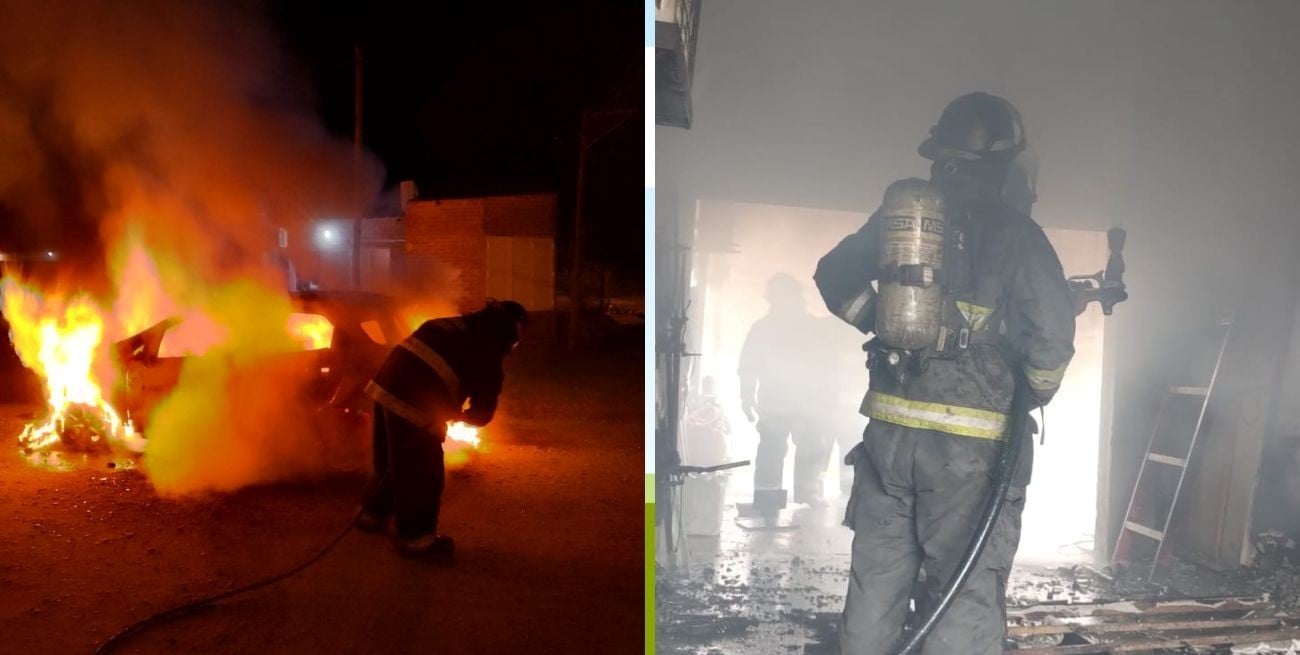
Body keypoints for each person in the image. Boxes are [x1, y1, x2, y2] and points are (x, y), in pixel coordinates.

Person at [814, 92, 1076, 654]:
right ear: (1004, 163)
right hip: (971, 454)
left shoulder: (900, 220)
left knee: (875, 589)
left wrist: (882, 324)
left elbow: (834, 273)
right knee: (963, 600)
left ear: (940, 156)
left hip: (889, 439)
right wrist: (1029, 391)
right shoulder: (1017, 234)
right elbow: (1051, 338)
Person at [356, 299, 528, 557]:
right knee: (422, 470)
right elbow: (482, 413)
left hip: (383, 388)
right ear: (508, 333)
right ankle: (416, 539)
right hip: (416, 403)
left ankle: (373, 514)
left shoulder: (447, 324)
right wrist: (461, 416)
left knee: (388, 459)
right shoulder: (488, 350)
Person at [738, 273, 831, 509]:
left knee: (806, 448)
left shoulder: (808, 328)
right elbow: (748, 366)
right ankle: (771, 497)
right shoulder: (764, 329)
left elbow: (827, 364)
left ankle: (804, 493)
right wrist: (746, 397)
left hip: (802, 403)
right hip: (778, 403)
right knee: (773, 449)